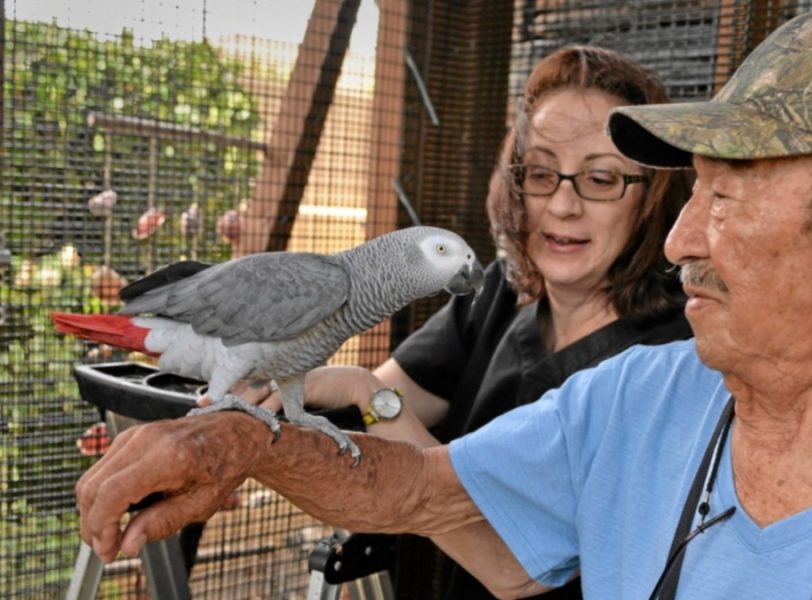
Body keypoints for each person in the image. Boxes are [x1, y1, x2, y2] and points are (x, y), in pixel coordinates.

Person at [76, 11, 812, 599]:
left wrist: (363, 397)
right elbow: (421, 490)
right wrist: (241, 441)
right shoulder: (639, 397)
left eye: (725, 197)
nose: (684, 239)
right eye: (542, 174)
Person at [220, 44, 693, 599]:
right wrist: (231, 427)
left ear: (651, 197)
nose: (563, 205)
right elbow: (367, 414)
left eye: (602, 179)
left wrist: (366, 393)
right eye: (541, 172)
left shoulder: (674, 355)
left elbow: (512, 564)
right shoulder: (498, 293)